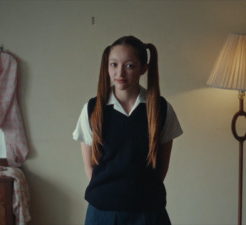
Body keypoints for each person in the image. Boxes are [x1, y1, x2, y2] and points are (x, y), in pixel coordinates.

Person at [73, 35, 183, 225]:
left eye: (130, 65)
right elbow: (90, 167)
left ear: (143, 68)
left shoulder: (161, 109)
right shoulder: (93, 109)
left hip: (149, 213)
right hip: (102, 213)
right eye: (114, 64)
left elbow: (162, 167)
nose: (120, 73)